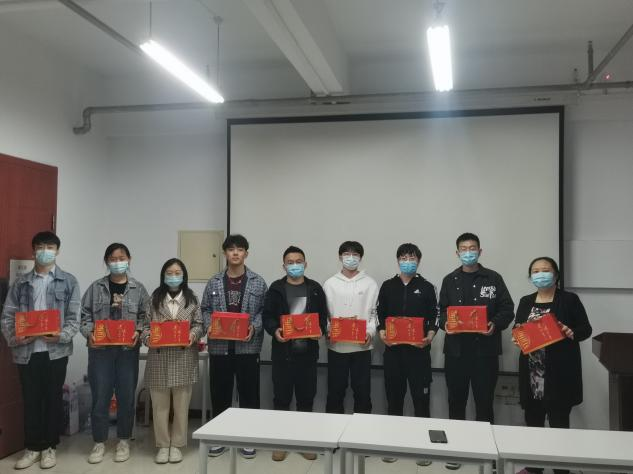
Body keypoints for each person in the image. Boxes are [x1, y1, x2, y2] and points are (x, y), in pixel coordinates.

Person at [0, 231, 80, 470]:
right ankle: (32, 447)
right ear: (33, 250)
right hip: (27, 351)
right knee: (31, 400)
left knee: (52, 399)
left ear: (57, 251)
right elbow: (7, 316)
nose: (45, 251)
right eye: (41, 246)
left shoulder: (69, 281)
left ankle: (49, 447)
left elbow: (74, 318)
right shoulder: (21, 282)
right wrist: (15, 337)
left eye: (50, 247)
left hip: (56, 351)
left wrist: (61, 336)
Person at [438, 232, 514, 470]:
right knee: (456, 402)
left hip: (485, 353)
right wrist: (445, 324)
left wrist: (495, 324)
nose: (468, 252)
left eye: (472, 248)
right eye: (464, 248)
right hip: (456, 353)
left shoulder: (493, 278)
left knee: (484, 403)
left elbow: (507, 309)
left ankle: (486, 454)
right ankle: (456, 451)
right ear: (457, 252)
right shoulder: (449, 280)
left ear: (480, 252)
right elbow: (441, 311)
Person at [513, 257, 592, 474]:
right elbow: (518, 327)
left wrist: (570, 331)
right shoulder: (526, 301)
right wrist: (518, 335)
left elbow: (585, 329)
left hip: (559, 373)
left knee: (559, 425)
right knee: (533, 423)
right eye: (535, 271)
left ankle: (561, 469)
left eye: (545, 270)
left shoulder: (569, 299)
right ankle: (534, 467)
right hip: (532, 373)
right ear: (530, 276)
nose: (541, 274)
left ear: (556, 274)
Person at [80, 243, 150, 464]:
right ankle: (99, 442)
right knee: (100, 396)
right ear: (106, 261)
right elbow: (84, 316)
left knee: (126, 396)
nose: (117, 262)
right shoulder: (96, 287)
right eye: (112, 258)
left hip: (127, 351)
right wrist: (89, 333)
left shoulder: (138, 289)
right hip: (100, 351)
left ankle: (123, 440)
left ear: (129, 259)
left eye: (121, 258)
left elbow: (145, 317)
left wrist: (139, 331)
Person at [201, 234, 267, 459]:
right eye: (231, 249)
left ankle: (248, 439)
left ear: (246, 253)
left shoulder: (258, 282)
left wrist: (254, 327)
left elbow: (264, 312)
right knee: (220, 394)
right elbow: (205, 309)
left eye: (240, 249)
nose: (235, 253)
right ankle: (219, 438)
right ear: (225, 253)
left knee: (249, 395)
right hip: (220, 348)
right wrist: (209, 325)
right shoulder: (214, 281)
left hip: (248, 348)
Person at [262, 246, 328, 462]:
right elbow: (267, 316)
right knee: (281, 399)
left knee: (306, 399)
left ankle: (304, 442)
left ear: (305, 264)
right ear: (284, 266)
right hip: (283, 355)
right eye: (290, 262)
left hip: (307, 355)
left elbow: (323, 318)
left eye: (298, 261)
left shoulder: (315, 288)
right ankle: (280, 444)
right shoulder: (276, 289)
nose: (295, 265)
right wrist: (275, 330)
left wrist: (320, 330)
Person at [377, 243, 439, 466]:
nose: (407, 261)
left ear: (418, 261)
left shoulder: (427, 287)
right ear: (398, 261)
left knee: (421, 401)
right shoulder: (387, 286)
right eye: (403, 258)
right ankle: (394, 444)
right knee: (394, 399)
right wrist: (381, 332)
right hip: (393, 353)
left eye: (412, 258)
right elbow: (379, 314)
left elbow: (435, 315)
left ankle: (423, 449)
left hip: (419, 354)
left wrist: (430, 335)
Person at [141, 259, 204, 464]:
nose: (173, 276)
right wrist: (148, 338)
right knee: (159, 407)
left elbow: (199, 324)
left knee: (181, 407)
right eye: (169, 272)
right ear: (163, 275)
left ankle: (177, 445)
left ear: (184, 276)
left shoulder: (192, 299)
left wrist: (193, 335)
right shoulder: (154, 299)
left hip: (183, 358)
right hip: (159, 359)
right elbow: (144, 326)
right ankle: (162, 445)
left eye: (177, 273)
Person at [323, 241, 378, 415]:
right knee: (335, 392)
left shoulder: (370, 284)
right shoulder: (330, 284)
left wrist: (370, 333)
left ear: (361, 258)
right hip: (336, 347)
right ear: (340, 257)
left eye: (355, 254)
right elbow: (324, 315)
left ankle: (362, 431)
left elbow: (374, 314)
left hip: (362, 347)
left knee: (362, 393)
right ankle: (332, 430)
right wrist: (329, 331)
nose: (351, 258)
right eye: (347, 254)